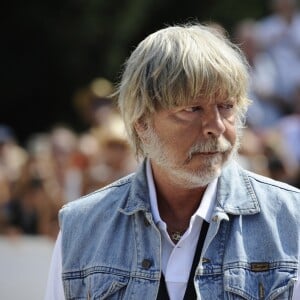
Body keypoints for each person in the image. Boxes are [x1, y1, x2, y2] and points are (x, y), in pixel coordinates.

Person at [45, 23, 300, 299]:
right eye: (192, 108)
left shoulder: (291, 220)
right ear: (141, 122)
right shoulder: (82, 229)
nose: (215, 126)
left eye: (226, 106)